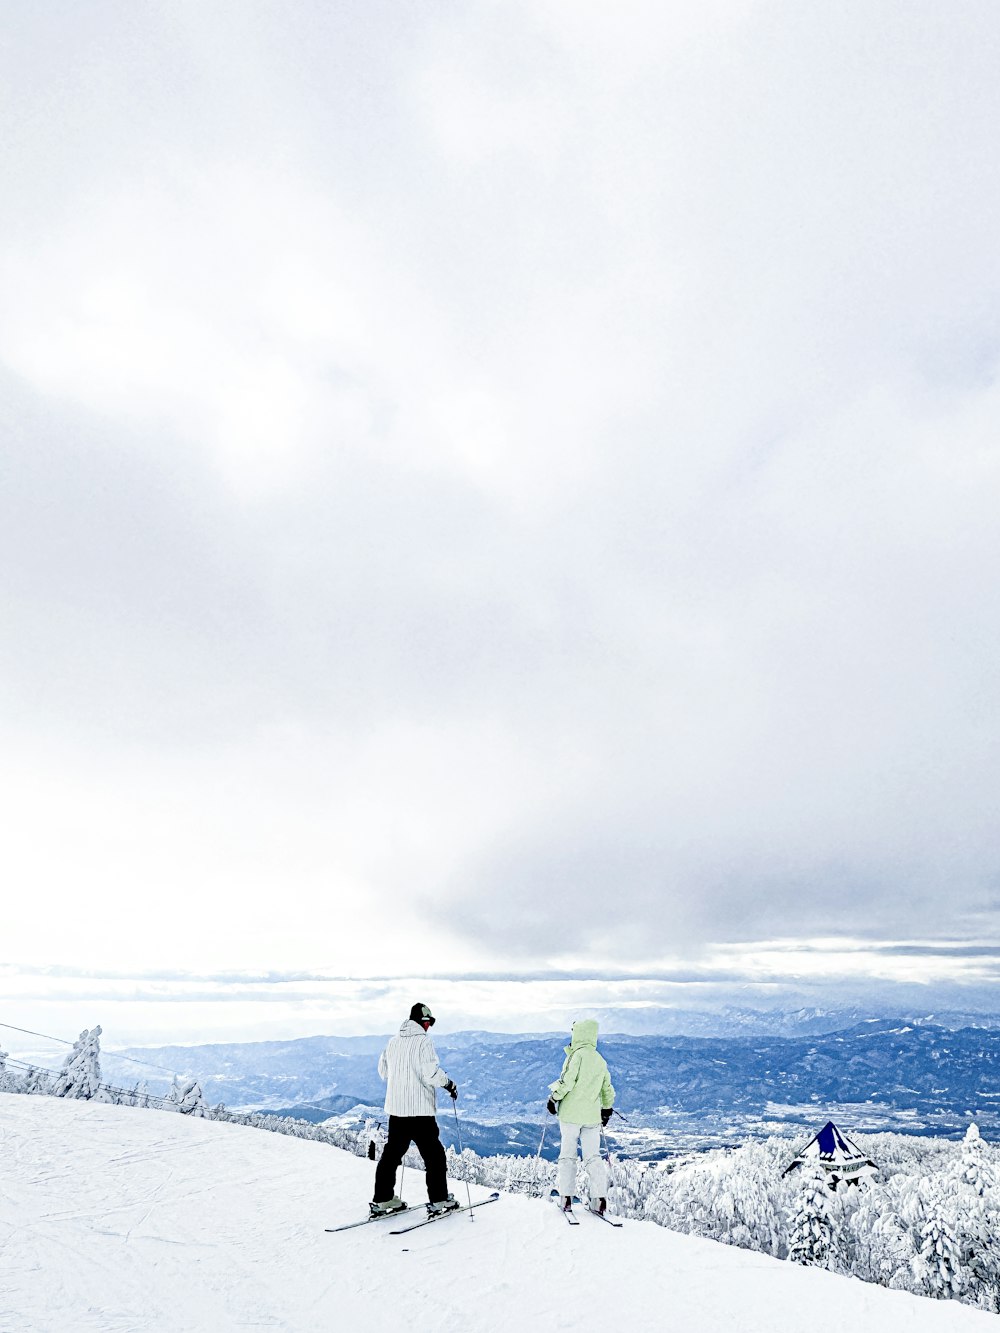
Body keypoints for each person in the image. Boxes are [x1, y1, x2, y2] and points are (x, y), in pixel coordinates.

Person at [370, 1002, 460, 1218]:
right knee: (434, 1157)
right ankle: (439, 1200)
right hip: (420, 1112)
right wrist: (449, 1084)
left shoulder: (392, 1042)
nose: (429, 1027)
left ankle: (383, 1200)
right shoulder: (424, 1042)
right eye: (428, 1023)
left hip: (397, 1110)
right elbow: (430, 1073)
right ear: (423, 1022)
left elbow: (383, 1071)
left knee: (391, 1156)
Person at [546, 1018, 615, 1214]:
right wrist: (606, 1109)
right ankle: (599, 1199)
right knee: (593, 1157)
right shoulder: (599, 1060)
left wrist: (553, 1098)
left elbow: (566, 1083)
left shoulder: (575, 1056)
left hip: (570, 1117)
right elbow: (607, 1090)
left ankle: (566, 1198)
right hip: (592, 1117)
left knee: (568, 1156)